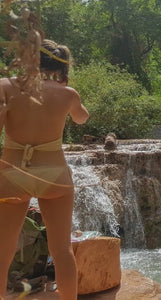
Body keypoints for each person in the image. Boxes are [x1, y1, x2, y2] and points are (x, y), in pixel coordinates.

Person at [0, 39, 89, 300]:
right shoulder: (68, 94)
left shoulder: (4, 87)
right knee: (62, 251)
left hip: (13, 172)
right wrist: (65, 92)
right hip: (55, 176)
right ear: (60, 65)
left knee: (2, 252)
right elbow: (82, 118)